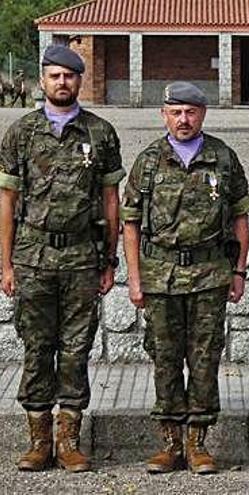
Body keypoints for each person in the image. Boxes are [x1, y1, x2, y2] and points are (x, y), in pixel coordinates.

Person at [0, 45, 123, 472]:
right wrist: (6, 264)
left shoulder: (100, 133)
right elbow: (8, 200)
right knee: (36, 348)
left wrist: (110, 260)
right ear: (43, 79)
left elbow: (111, 200)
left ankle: (69, 439)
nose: (62, 83)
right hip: (33, 257)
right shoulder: (21, 133)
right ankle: (38, 441)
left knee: (76, 349)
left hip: (81, 259)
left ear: (79, 80)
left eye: (69, 77)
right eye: (55, 76)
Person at [120, 82, 249, 475]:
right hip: (160, 276)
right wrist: (134, 277)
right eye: (176, 112)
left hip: (209, 274)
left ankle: (198, 444)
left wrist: (239, 270)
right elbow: (130, 224)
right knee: (164, 358)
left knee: (204, 358)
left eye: (191, 112)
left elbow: (240, 217)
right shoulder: (148, 161)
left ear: (203, 114)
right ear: (164, 114)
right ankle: (169, 444)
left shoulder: (222, 158)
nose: (184, 119)